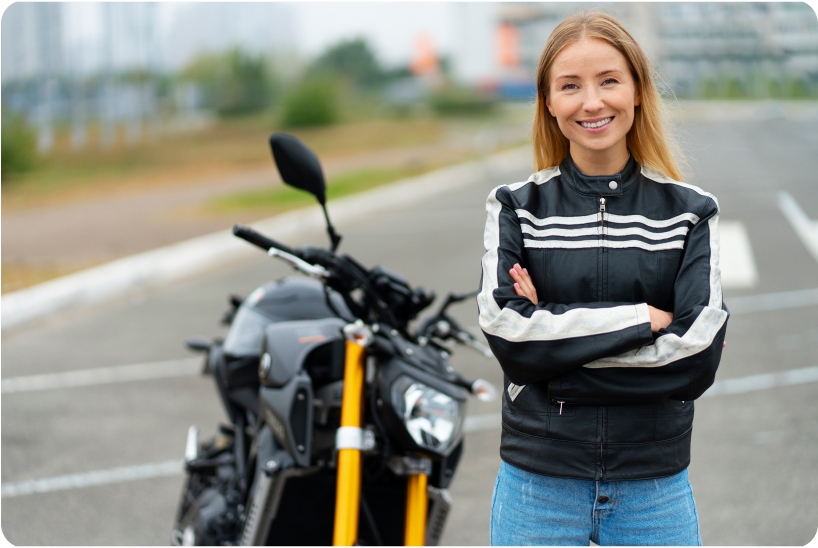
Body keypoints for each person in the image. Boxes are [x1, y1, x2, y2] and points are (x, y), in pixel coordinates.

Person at [477, 11, 729, 547]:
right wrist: (645, 320)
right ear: (548, 101)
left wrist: (553, 360)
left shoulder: (690, 213)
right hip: (536, 489)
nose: (591, 102)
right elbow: (509, 336)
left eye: (609, 80)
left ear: (637, 90)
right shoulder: (516, 209)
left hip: (653, 490)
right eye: (570, 86)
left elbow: (695, 358)